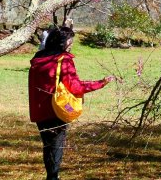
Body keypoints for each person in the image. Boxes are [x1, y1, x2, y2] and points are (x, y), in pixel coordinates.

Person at [28, 25, 116, 180]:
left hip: (38, 109)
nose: (72, 44)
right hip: (56, 109)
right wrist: (100, 83)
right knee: (56, 146)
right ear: (62, 42)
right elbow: (75, 87)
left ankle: (51, 175)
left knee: (48, 145)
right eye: (70, 41)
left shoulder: (38, 58)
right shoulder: (63, 60)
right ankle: (53, 177)